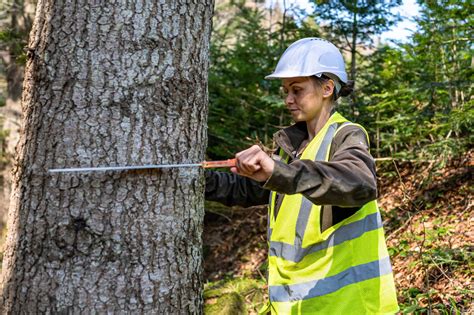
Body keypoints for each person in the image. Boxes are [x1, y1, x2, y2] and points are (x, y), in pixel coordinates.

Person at [205, 38, 399, 314]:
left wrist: (278, 170)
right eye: (285, 90)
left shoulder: (346, 136)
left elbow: (359, 183)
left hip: (345, 306)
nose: (287, 99)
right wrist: (202, 181)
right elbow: (250, 190)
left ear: (327, 88)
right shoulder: (293, 148)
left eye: (297, 90)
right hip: (294, 305)